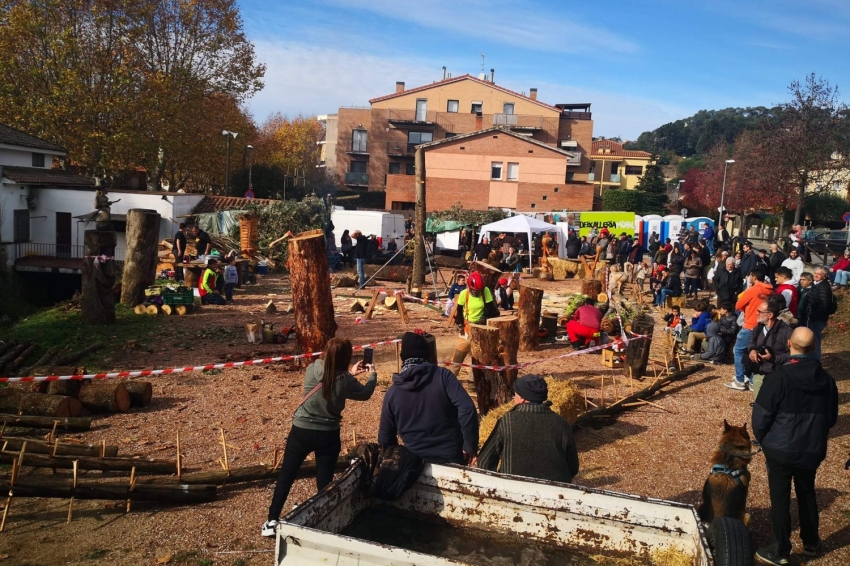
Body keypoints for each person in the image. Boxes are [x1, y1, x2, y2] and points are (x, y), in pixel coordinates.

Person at [262, 338, 377, 536]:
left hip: (301, 430)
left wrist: (348, 373)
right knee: (324, 482)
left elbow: (328, 380)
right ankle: (320, 523)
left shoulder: (312, 368)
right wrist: (372, 375)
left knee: (287, 475)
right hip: (328, 434)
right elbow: (365, 393)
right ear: (346, 357)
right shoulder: (346, 381)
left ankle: (272, 521)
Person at [752, 328, 838, 565]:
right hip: (811, 448)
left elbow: (760, 418)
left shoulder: (778, 378)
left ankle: (781, 550)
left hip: (780, 448)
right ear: (813, 348)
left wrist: (765, 441)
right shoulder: (827, 381)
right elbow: (831, 418)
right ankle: (811, 542)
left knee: (780, 498)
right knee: (806, 493)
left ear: (789, 343)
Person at [379, 332, 478, 465]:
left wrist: (397, 461)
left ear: (403, 358)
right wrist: (469, 446)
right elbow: (467, 408)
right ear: (427, 355)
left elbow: (385, 438)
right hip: (451, 456)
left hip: (415, 462)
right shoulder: (443, 377)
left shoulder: (393, 392)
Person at [477, 375, 579, 482]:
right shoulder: (562, 423)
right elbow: (573, 467)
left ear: (522, 398)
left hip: (513, 489)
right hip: (555, 492)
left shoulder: (508, 421)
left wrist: (498, 484)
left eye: (515, 395)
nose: (513, 398)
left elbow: (485, 461)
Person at [727, 269, 773, 391]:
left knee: (738, 350)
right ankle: (753, 380)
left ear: (753, 277)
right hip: (764, 325)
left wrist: (747, 309)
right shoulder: (770, 290)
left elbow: (738, 305)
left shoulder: (753, 290)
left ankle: (740, 380)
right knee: (756, 351)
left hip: (750, 323)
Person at [450, 272, 499, 376]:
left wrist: (484, 316)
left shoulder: (485, 291)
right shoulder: (464, 293)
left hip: (481, 327)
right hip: (468, 326)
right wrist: (460, 324)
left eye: (479, 291)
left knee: (478, 356)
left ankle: (473, 379)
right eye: (475, 291)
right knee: (458, 354)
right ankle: (451, 376)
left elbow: (490, 307)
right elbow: (459, 310)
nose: (477, 293)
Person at [748, 297, 793, 399]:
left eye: (759, 311)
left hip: (778, 375)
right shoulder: (758, 327)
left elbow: (793, 355)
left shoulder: (786, 332)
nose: (756, 313)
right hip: (759, 373)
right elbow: (751, 342)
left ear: (770, 315)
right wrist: (752, 350)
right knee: (759, 404)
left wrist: (773, 359)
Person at [804, 267, 833, 360]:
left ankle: (815, 360)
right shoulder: (816, 284)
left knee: (815, 340)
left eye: (819, 274)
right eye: (815, 273)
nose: (816, 275)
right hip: (813, 317)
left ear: (824, 276)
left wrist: (813, 314)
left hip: (817, 319)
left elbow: (824, 304)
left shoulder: (823, 287)